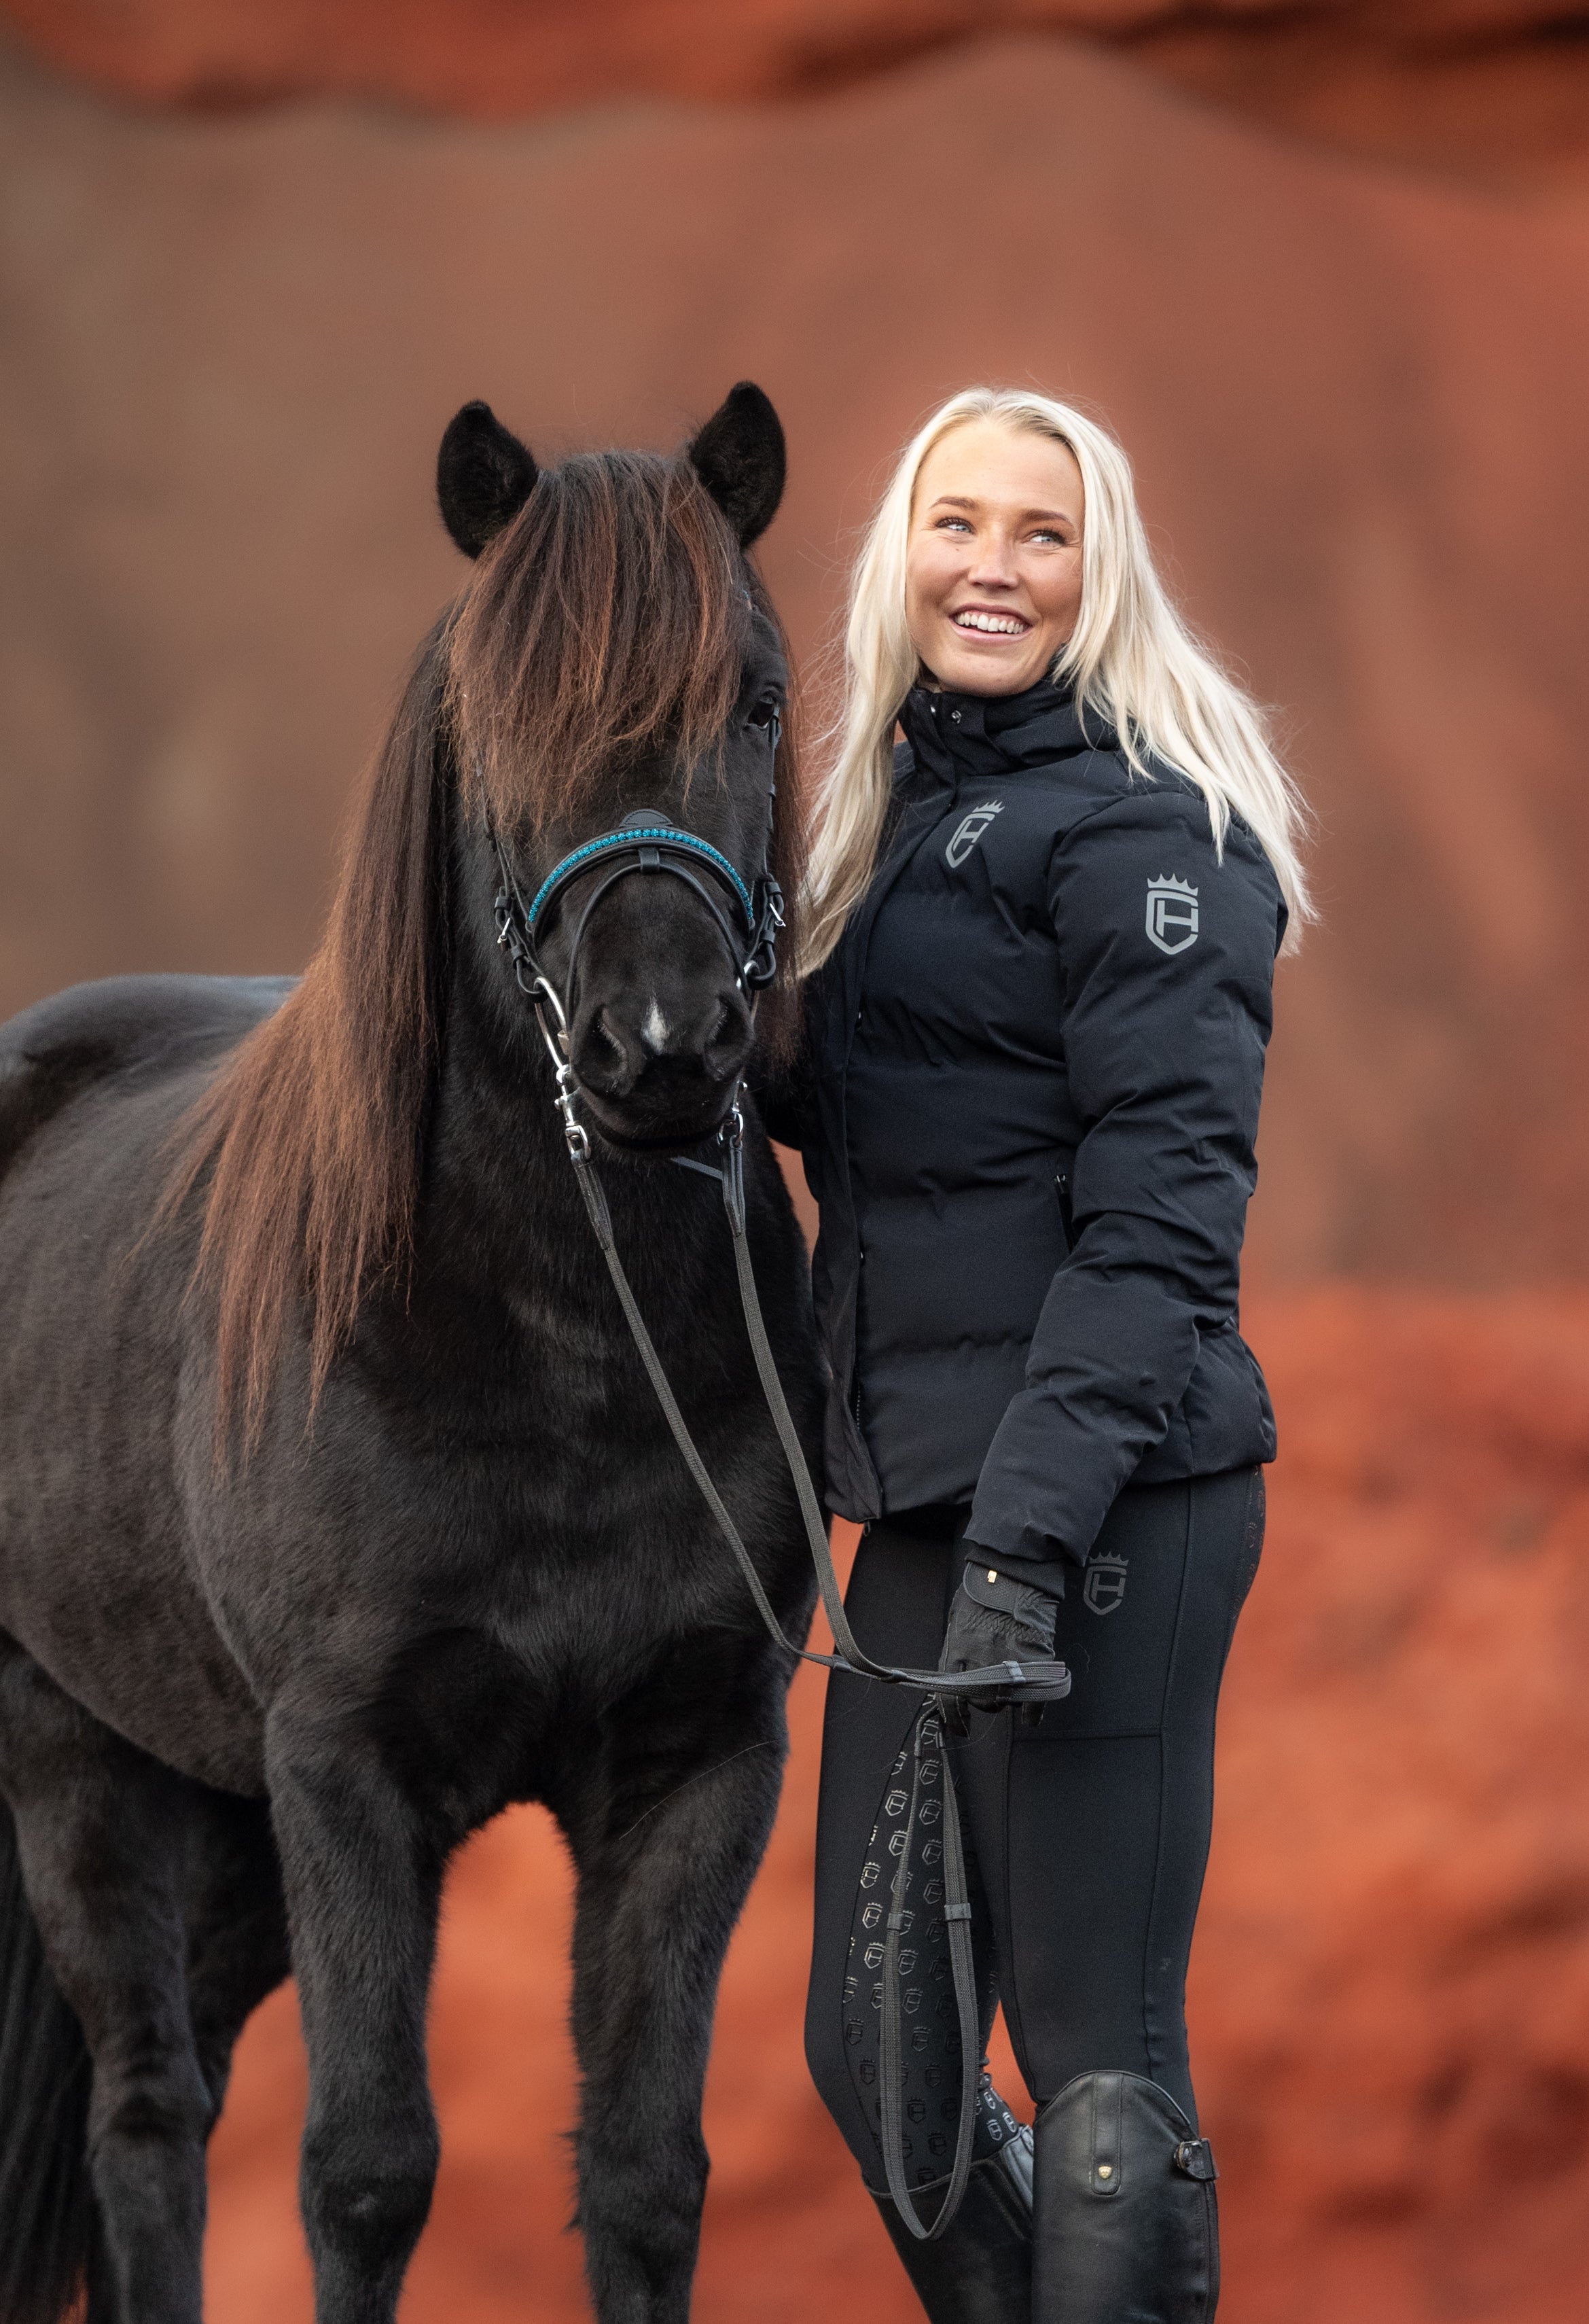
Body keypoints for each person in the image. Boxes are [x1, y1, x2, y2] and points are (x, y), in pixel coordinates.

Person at [761, 387, 1310, 2324]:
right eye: (958, 523)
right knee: (880, 2064)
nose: (992, 566)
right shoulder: (890, 822)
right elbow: (864, 1126)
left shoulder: (1159, 831)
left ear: (1101, 571)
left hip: (1111, 1508)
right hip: (925, 1505)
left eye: (1042, 532)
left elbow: (1162, 1228)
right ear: (899, 557)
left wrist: (1027, 1536)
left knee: (1095, 2071)